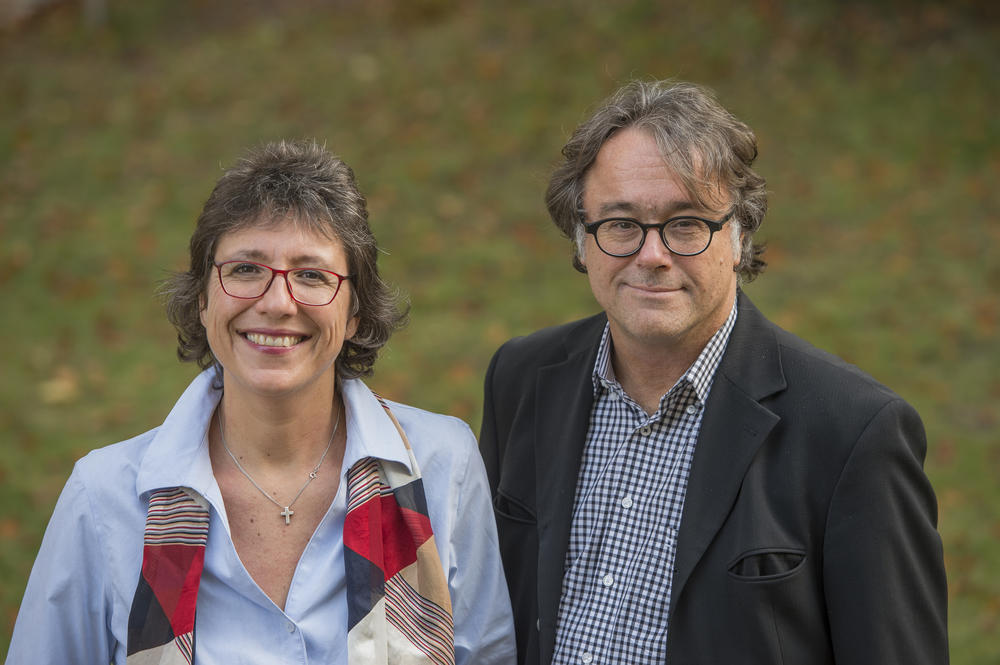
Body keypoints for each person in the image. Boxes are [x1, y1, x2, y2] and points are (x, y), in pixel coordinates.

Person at [479, 80, 948, 665]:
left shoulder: (854, 431)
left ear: (739, 236)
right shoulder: (521, 378)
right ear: (582, 240)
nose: (652, 256)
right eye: (621, 223)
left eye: (686, 223)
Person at [8, 140, 516, 664]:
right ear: (203, 299)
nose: (277, 303)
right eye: (245, 269)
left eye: (312, 275)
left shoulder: (440, 466)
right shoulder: (103, 498)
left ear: (355, 313)